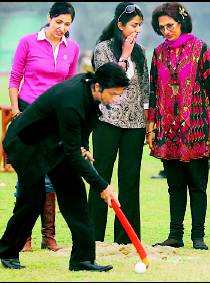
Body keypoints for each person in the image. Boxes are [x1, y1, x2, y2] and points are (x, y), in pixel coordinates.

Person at [0, 62, 129, 271]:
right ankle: (7, 251)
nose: (115, 99)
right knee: (32, 201)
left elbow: (82, 129)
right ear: (97, 86)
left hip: (54, 143)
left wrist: (83, 146)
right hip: (26, 144)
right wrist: (102, 185)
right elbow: (73, 154)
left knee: (75, 196)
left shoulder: (88, 89)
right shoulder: (72, 100)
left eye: (119, 94)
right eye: (113, 94)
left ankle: (82, 260)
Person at [147, 2, 210, 250]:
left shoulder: (201, 49)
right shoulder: (158, 53)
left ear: (181, 22)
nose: (166, 31)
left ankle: (198, 236)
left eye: (170, 25)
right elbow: (152, 91)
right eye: (162, 28)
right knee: (174, 185)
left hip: (197, 126)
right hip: (167, 128)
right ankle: (175, 235)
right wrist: (151, 126)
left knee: (198, 184)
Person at [8, 2, 80, 252]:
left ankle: (48, 237)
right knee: (28, 175)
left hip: (55, 117)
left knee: (51, 176)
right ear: (49, 18)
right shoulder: (27, 42)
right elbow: (14, 78)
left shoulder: (73, 48)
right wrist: (16, 111)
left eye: (67, 24)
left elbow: (70, 86)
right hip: (29, 113)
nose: (62, 28)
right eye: (58, 21)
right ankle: (23, 236)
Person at [87, 2, 149, 244]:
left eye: (140, 26)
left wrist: (148, 122)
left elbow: (145, 90)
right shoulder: (102, 49)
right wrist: (123, 55)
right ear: (120, 25)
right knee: (101, 177)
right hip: (106, 121)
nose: (138, 30)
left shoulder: (141, 52)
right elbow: (107, 79)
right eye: (134, 25)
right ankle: (93, 237)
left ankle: (126, 239)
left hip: (135, 125)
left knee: (130, 180)